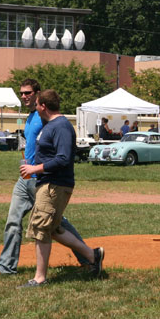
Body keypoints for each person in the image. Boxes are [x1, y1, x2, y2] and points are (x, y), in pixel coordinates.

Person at [0, 79, 93, 276]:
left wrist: (37, 168)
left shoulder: (45, 117)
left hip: (41, 177)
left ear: (38, 95)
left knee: (56, 224)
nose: (24, 96)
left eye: (28, 93)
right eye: (21, 93)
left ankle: (89, 258)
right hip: (25, 178)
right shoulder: (31, 117)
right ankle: (6, 268)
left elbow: (58, 147)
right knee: (13, 220)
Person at [17, 89, 103, 287]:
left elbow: (64, 158)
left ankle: (39, 278)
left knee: (41, 227)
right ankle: (93, 255)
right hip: (46, 182)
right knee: (53, 229)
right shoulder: (51, 125)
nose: (35, 108)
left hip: (55, 185)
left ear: (43, 106)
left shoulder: (61, 126)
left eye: (37, 104)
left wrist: (35, 168)